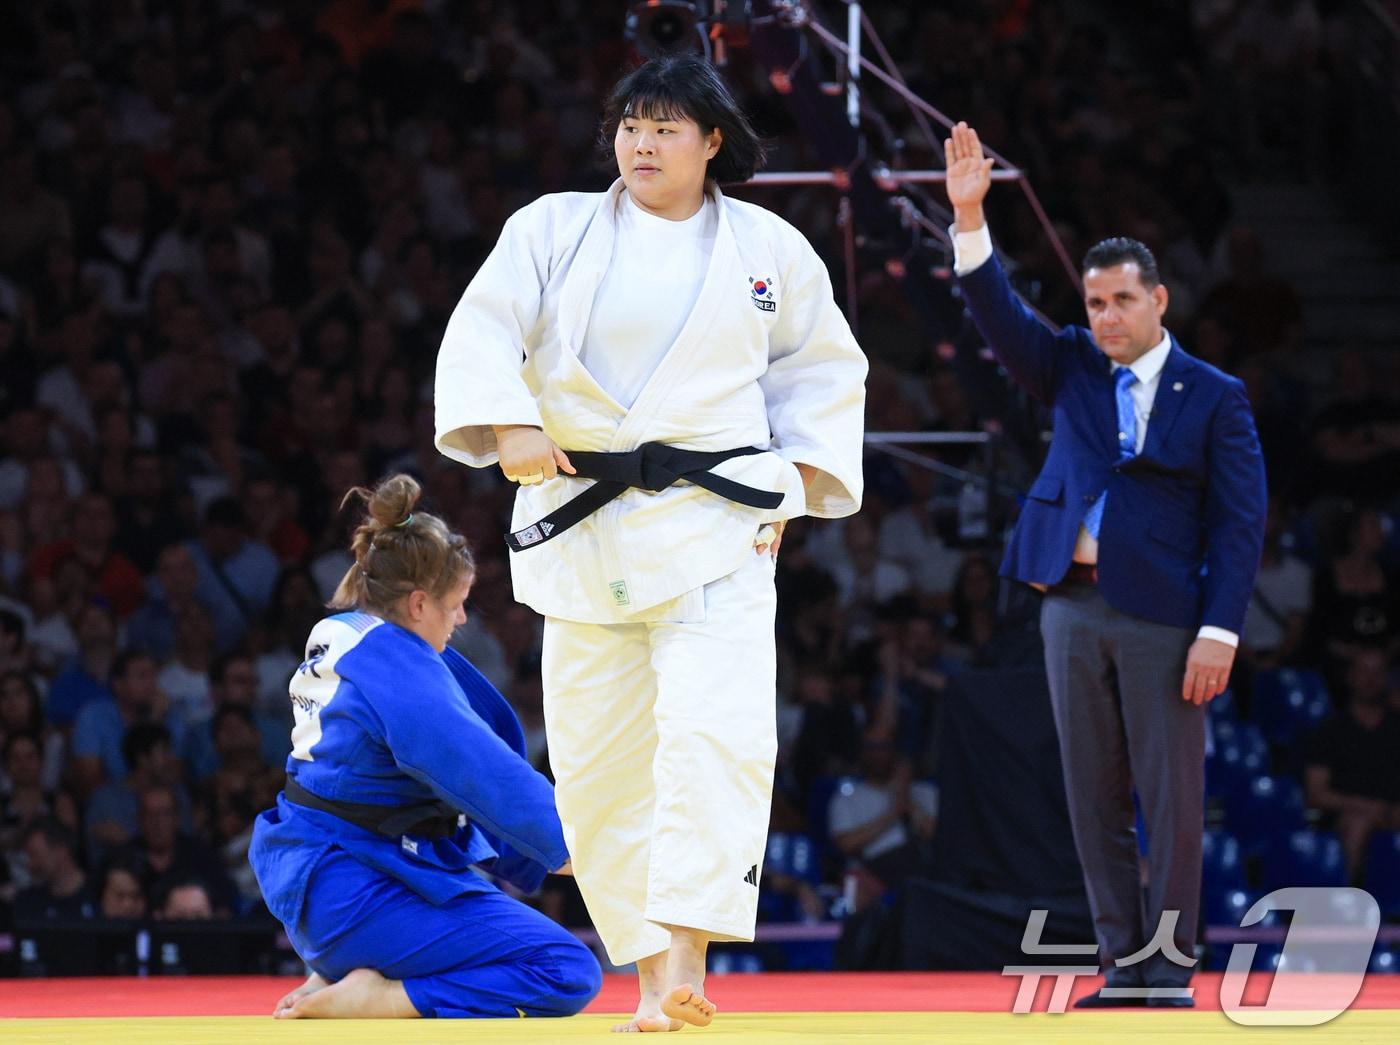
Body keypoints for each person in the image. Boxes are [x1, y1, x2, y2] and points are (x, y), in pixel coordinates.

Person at [434, 55, 866, 1031]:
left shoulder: (768, 249)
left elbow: (821, 371)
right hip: (585, 524)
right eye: (630, 124)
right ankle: (642, 978)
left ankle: (685, 964)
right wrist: (507, 420)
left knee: (715, 741)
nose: (641, 143)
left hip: (716, 525)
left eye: (666, 127)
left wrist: (799, 481)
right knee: (598, 768)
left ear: (711, 141)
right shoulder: (551, 229)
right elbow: (483, 329)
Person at [943, 123, 1267, 1007]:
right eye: (1095, 303)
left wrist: (1220, 629)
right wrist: (969, 220)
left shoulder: (1217, 396)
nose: (1108, 317)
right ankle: (1124, 969)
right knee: (1091, 799)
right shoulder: (1072, 366)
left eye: (1123, 300)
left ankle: (1171, 972)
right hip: (1070, 605)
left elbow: (1242, 523)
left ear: (1159, 299)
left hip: (1165, 614)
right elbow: (999, 318)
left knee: (1171, 801)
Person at [248, 474, 600, 1021]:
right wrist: (586, 848)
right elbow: (482, 772)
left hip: (343, 873)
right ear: (418, 603)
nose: (461, 619)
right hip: (354, 888)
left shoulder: (349, 635)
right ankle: (380, 995)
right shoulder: (394, 668)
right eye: (456, 604)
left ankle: (348, 964)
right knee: (563, 968)